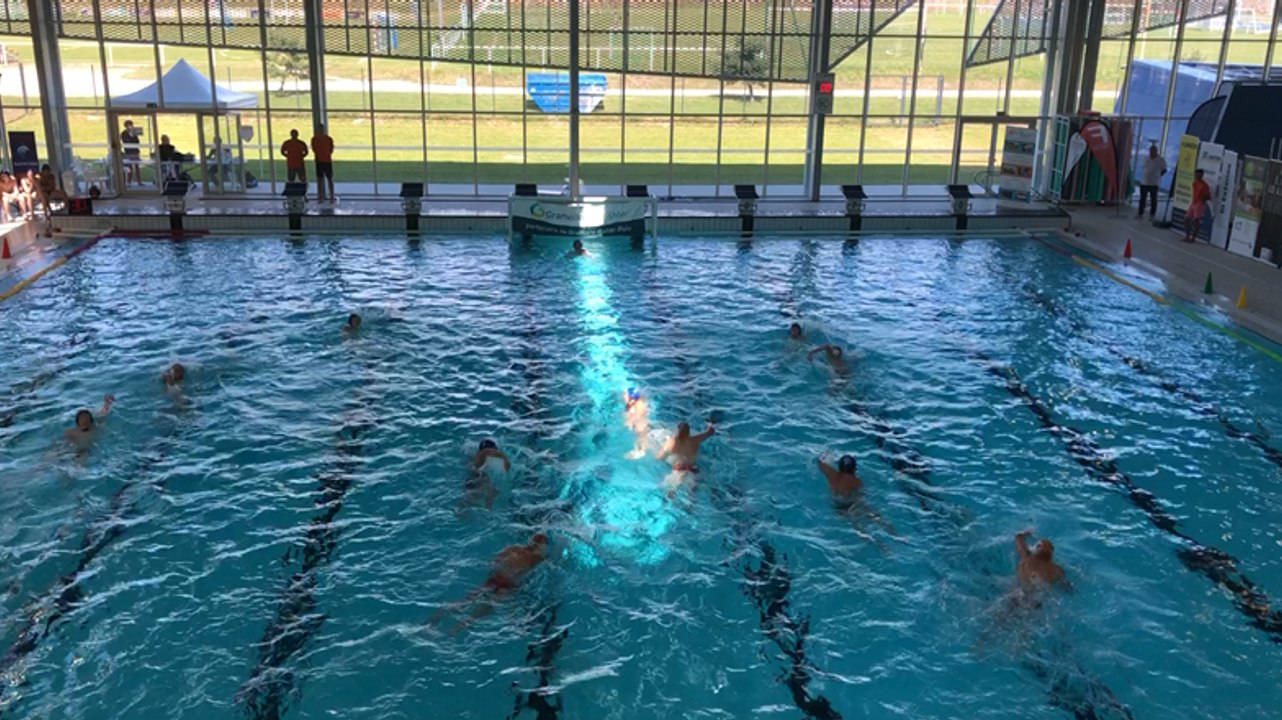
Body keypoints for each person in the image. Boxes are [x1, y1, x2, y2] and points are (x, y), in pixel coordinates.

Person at [428, 532, 549, 635]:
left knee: (465, 601)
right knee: (483, 609)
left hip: (494, 578)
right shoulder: (536, 558)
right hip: (508, 585)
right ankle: (455, 630)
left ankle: (433, 620)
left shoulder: (514, 548)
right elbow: (547, 562)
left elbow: (494, 561)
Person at [816, 453, 896, 547]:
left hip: (838, 506)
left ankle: (880, 546)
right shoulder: (856, 481)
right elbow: (862, 495)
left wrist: (825, 455)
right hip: (853, 503)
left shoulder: (831, 474)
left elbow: (819, 462)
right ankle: (895, 535)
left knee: (859, 528)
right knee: (876, 516)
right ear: (854, 469)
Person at [656, 420, 715, 495]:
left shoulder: (672, 442)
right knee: (691, 495)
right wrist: (710, 424)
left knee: (670, 493)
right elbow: (710, 432)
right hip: (693, 471)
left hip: (678, 471)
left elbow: (659, 457)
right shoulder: (695, 439)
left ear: (677, 431)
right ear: (688, 432)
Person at [462, 439, 510, 510]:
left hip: (472, 482)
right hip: (478, 480)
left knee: (467, 501)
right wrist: (502, 455)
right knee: (492, 493)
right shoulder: (480, 457)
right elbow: (486, 452)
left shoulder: (474, 459)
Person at [1136, 144, 1166, 221]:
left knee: (1153, 199)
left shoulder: (1160, 160)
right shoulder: (1145, 158)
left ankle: (1152, 215)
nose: (1152, 153)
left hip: (1154, 183)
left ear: (1156, 152)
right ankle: (1140, 213)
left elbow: (1164, 169)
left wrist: (1158, 175)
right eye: (1151, 151)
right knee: (1142, 199)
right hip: (1144, 182)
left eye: (1154, 151)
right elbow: (1143, 167)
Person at [1184, 168, 1212, 243]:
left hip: (1199, 204)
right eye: (1196, 175)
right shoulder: (1195, 183)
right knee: (1186, 219)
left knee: (1195, 221)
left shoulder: (1204, 186)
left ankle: (1193, 238)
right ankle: (1187, 236)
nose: (1196, 176)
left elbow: (1209, 197)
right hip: (1193, 203)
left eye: (1198, 175)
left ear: (1201, 175)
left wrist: (1203, 199)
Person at [310, 124, 335, 202]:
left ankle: (330, 196)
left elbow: (331, 149)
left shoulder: (327, 139)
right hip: (322, 161)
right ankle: (322, 197)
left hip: (324, 161)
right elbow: (315, 149)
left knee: (328, 179)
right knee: (321, 179)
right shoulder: (316, 139)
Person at [623, 387, 650, 458]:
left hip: (641, 425)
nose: (624, 396)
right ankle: (639, 450)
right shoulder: (632, 402)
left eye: (626, 395)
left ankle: (642, 452)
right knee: (638, 437)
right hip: (637, 424)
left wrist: (628, 421)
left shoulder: (639, 404)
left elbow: (637, 416)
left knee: (641, 436)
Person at [121, 120, 142, 186]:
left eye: (131, 125)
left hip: (135, 151)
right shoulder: (123, 133)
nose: (130, 126)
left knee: (137, 167)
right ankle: (128, 182)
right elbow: (125, 141)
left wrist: (133, 135)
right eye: (129, 125)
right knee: (129, 168)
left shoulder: (134, 132)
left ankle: (139, 181)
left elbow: (137, 141)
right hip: (128, 152)